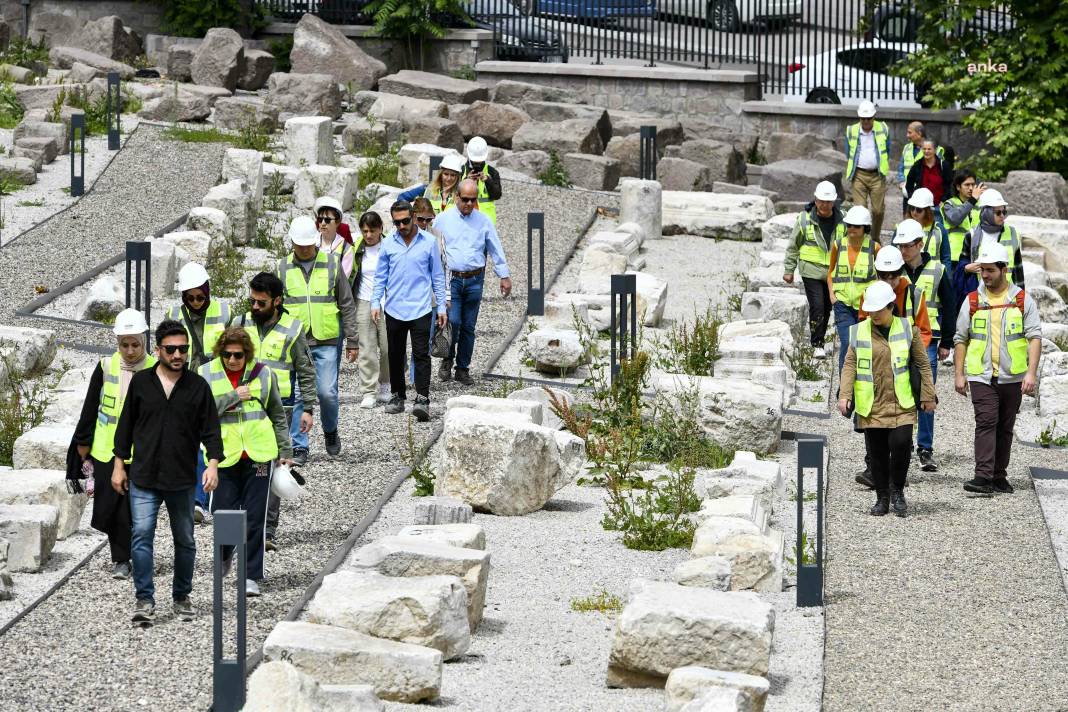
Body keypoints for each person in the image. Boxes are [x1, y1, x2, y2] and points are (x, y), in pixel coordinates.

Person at [112, 319, 223, 626]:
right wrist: (119, 466)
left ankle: (181, 596)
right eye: (171, 349)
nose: (178, 355)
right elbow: (126, 427)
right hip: (144, 478)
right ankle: (145, 600)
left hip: (181, 479)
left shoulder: (198, 386)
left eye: (183, 350)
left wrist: (212, 465)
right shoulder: (142, 383)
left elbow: (211, 431)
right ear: (158, 349)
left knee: (185, 539)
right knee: (141, 537)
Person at [199, 328, 293, 597]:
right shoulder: (206, 374)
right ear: (220, 352)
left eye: (238, 355)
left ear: (246, 353)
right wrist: (233, 397)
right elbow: (199, 411)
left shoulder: (263, 374)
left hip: (259, 454)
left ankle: (251, 576)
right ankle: (226, 553)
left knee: (255, 518)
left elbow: (276, 412)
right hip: (224, 456)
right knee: (224, 515)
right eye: (227, 354)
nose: (232, 360)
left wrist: (285, 449)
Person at [233, 272, 317, 550]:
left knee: (272, 469)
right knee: (241, 466)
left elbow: (305, 371)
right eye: (252, 301)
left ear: (277, 301)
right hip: (244, 408)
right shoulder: (241, 324)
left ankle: (267, 530)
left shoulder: (293, 329)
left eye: (261, 302)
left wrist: (308, 409)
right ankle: (242, 524)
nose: (254, 307)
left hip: (279, 409)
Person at [839, 281, 936, 517]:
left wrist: (928, 394)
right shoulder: (859, 331)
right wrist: (844, 395)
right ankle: (882, 497)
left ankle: (898, 491)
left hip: (901, 403)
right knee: (877, 453)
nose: (874, 315)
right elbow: (849, 364)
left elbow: (923, 363)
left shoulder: (906, 329)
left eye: (878, 310)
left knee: (901, 445)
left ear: (891, 306)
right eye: (870, 310)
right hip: (871, 405)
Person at [72, 308, 155, 580]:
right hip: (107, 449)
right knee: (111, 507)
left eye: (135, 344)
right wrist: (83, 442)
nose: (130, 351)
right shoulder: (106, 366)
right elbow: (91, 405)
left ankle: (133, 556)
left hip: (142, 451)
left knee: (136, 507)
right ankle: (121, 556)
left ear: (144, 340)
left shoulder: (156, 368)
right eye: (124, 345)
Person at [954, 242, 1042, 495]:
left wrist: (1031, 373)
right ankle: (982, 476)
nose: (984, 275)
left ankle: (998, 475)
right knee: (986, 421)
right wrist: (960, 374)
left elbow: (1034, 337)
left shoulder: (1022, 300)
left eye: (990, 270)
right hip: (981, 376)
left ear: (1004, 269)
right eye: (982, 270)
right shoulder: (972, 301)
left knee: (1005, 427)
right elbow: (961, 338)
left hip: (1012, 377)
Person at [277, 215, 359, 461]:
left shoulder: (331, 263)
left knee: (327, 393)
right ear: (292, 243)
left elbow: (346, 302)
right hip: (294, 342)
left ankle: (330, 430)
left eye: (308, 244)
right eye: (299, 245)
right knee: (298, 394)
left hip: (326, 339)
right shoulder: (282, 267)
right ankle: (300, 445)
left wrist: (353, 340)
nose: (304, 249)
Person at [853, 244, 933, 489]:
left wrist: (908, 350)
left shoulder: (915, 295)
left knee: (902, 422)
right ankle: (874, 468)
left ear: (902, 271)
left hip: (903, 368)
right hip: (875, 367)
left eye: (893, 275)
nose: (888, 281)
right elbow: (861, 330)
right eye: (883, 276)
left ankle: (898, 473)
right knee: (872, 416)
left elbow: (925, 330)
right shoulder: (870, 294)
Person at [165, 261, 231, 522]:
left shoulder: (224, 311)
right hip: (185, 385)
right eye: (189, 297)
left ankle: (207, 497)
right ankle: (196, 500)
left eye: (200, 297)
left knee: (211, 442)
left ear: (208, 291)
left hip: (215, 384)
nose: (195, 302)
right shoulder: (173, 313)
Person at [371, 200, 448, 421]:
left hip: (421, 307)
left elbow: (437, 275)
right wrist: (375, 302)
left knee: (421, 354)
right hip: (394, 307)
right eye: (397, 222)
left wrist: (441, 306)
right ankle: (398, 395)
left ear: (413, 216)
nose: (402, 225)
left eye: (405, 220)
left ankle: (423, 398)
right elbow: (380, 276)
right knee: (395, 354)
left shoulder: (429, 242)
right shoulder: (387, 244)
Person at [434, 179, 511, 384]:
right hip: (452, 280)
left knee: (469, 326)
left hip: (475, 279)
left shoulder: (483, 221)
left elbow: (495, 247)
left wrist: (503, 275)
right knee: (453, 321)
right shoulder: (443, 219)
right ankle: (447, 358)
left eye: (473, 200)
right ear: (457, 197)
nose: (469, 204)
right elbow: (432, 248)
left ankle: (462, 368)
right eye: (465, 199)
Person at [895, 219, 955, 472]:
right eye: (899, 246)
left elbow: (950, 306)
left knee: (926, 394)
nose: (902, 251)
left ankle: (925, 449)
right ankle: (903, 442)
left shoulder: (938, 269)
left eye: (907, 246)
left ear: (920, 244)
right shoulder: (893, 270)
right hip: (898, 341)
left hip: (928, 341)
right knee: (901, 391)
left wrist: (947, 342)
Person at [783, 181, 842, 359]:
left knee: (826, 308)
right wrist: (789, 269)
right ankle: (817, 344)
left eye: (828, 201)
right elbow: (793, 245)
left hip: (833, 272)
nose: (825, 205)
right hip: (811, 270)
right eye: (821, 201)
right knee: (817, 305)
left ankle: (820, 337)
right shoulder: (804, 219)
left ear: (834, 202)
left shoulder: (843, 221)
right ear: (815, 200)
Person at [827, 205, 880, 371]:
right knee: (848, 342)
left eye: (856, 226)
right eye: (849, 225)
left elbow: (883, 277)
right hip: (842, 304)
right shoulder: (838, 245)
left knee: (863, 344)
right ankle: (845, 388)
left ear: (865, 227)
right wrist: (833, 297)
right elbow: (830, 273)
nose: (851, 229)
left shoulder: (875, 248)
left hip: (865, 307)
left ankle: (860, 384)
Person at [352, 211, 393, 409]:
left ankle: (386, 383)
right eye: (365, 230)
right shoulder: (356, 249)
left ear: (380, 229)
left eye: (372, 230)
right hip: (363, 301)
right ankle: (368, 390)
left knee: (387, 347)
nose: (368, 235)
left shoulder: (390, 246)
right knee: (366, 347)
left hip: (388, 302)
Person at [955, 187, 1025, 300]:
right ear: (986, 212)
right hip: (980, 296)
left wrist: (1021, 299)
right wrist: (967, 268)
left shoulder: (1013, 233)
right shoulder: (971, 235)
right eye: (998, 212)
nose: (1002, 215)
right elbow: (963, 263)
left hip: (1007, 295)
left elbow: (1018, 270)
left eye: (1004, 212)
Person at [408, 197, 450, 386]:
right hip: (406, 296)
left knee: (423, 343)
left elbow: (445, 267)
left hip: (430, 298)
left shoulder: (438, 236)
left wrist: (445, 297)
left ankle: (418, 382)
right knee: (399, 344)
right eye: (421, 219)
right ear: (413, 217)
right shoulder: (403, 235)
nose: (425, 224)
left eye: (428, 219)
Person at [844, 100, 890, 239]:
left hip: (877, 175)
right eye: (863, 118)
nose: (866, 121)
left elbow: (887, 150)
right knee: (860, 209)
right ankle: (862, 239)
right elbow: (848, 152)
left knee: (878, 210)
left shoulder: (883, 128)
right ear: (859, 118)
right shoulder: (852, 130)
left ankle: (875, 239)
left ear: (874, 117)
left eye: (868, 118)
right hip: (859, 174)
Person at [904, 187, 952, 275]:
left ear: (927, 211)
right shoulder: (902, 228)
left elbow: (946, 259)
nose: (914, 212)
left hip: (934, 279)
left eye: (919, 209)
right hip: (909, 277)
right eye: (912, 208)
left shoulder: (940, 229)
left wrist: (947, 279)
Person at [897, 122, 942, 214]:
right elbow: (901, 168)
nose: (907, 135)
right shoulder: (907, 148)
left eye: (910, 132)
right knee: (908, 219)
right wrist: (902, 182)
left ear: (919, 133)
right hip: (908, 193)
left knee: (926, 221)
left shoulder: (936, 149)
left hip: (927, 194)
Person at [398, 153, 465, 214]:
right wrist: (411, 215)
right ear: (441, 174)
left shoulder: (461, 194)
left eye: (453, 175)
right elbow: (402, 197)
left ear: (457, 177)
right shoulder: (427, 189)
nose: (449, 178)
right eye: (446, 174)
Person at [940, 170, 980, 269]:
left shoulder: (980, 205)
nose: (971, 188)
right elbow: (955, 219)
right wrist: (972, 200)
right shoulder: (949, 204)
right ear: (958, 187)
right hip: (955, 257)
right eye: (967, 185)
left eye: (973, 184)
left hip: (975, 256)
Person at [461, 137, 502, 225]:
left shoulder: (492, 172)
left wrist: (487, 181)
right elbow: (453, 194)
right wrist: (466, 181)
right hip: (464, 218)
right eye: (475, 161)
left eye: (479, 161)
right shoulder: (460, 171)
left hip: (486, 221)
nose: (477, 164)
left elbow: (497, 195)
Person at [904, 139, 954, 208]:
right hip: (922, 207)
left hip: (939, 206)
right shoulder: (917, 165)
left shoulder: (944, 166)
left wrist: (944, 200)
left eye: (929, 149)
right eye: (924, 149)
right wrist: (912, 197)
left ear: (935, 150)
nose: (926, 151)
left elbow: (949, 185)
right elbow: (909, 182)